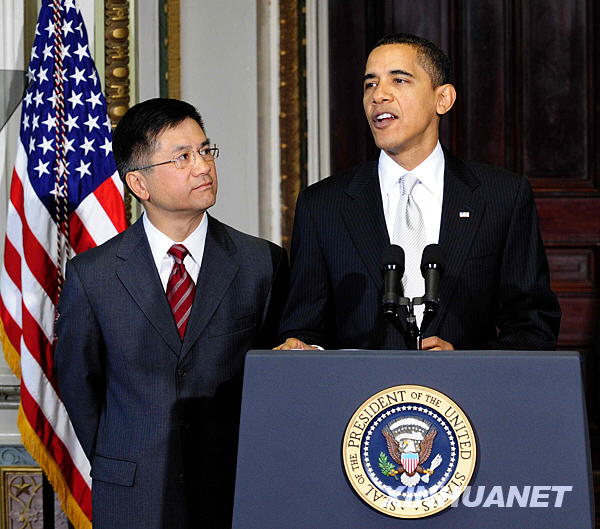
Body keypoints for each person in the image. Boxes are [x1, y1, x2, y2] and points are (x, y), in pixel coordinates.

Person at [54, 98, 288, 529]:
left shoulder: (261, 263)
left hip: (234, 489)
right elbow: (79, 382)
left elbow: (274, 380)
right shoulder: (93, 275)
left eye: (205, 150)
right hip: (132, 494)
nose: (203, 167)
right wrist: (122, 456)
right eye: (182, 157)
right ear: (138, 183)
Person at [277, 33, 560, 352]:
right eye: (370, 84)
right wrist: (302, 349)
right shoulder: (322, 205)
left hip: (463, 385)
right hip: (361, 385)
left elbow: (533, 326)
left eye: (398, 80)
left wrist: (466, 364)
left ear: (443, 99)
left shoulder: (502, 197)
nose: (379, 95)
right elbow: (303, 329)